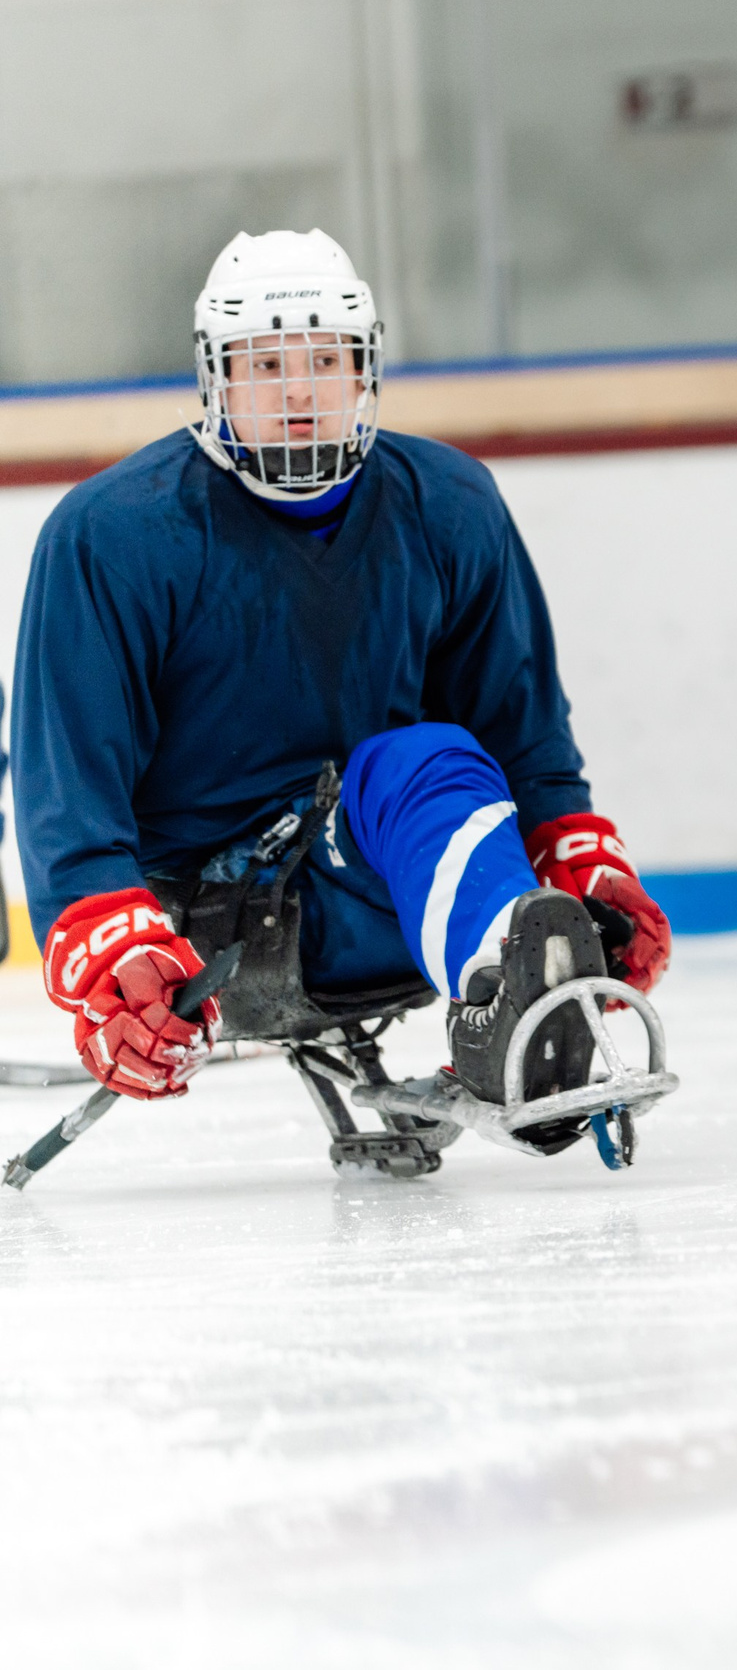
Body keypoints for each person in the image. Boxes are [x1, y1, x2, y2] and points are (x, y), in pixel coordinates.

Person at [10, 229, 670, 1147]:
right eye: (264, 364)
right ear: (215, 378)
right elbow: (67, 794)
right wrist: (115, 960)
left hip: (378, 884)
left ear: (365, 370)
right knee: (423, 760)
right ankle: (516, 994)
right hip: (206, 935)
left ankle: (517, 995)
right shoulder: (111, 536)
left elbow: (522, 736)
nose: (297, 391)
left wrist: (581, 870)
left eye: (325, 360)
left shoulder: (450, 502)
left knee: (432, 763)